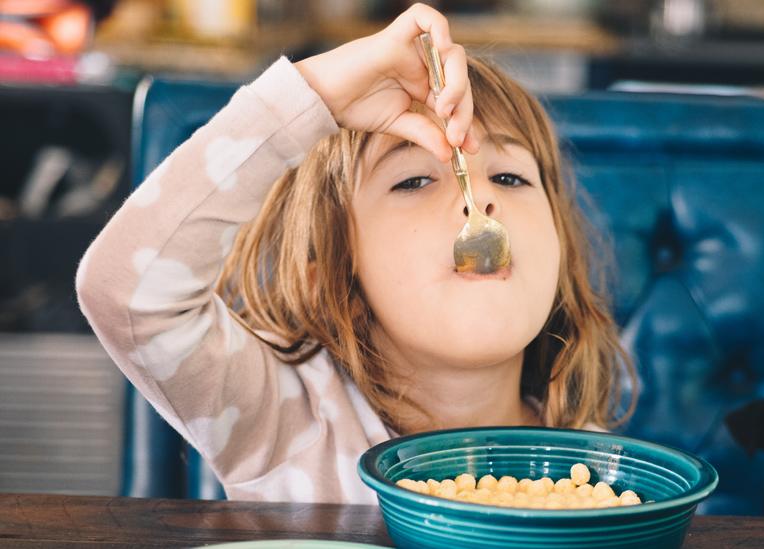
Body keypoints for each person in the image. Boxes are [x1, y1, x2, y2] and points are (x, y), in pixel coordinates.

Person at [77, 3, 634, 504]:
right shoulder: (286, 422)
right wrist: (314, 95)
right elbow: (126, 293)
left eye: (510, 176)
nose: (479, 198)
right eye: (414, 181)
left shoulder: (590, 472)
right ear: (332, 274)